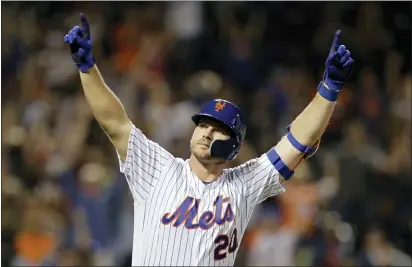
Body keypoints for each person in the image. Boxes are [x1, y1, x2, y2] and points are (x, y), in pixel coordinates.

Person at [64, 13, 354, 267]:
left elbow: (298, 141)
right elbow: (114, 122)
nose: (206, 132)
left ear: (234, 146)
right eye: (203, 124)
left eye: (218, 129)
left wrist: (328, 89)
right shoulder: (158, 169)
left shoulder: (243, 185)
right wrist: (88, 70)